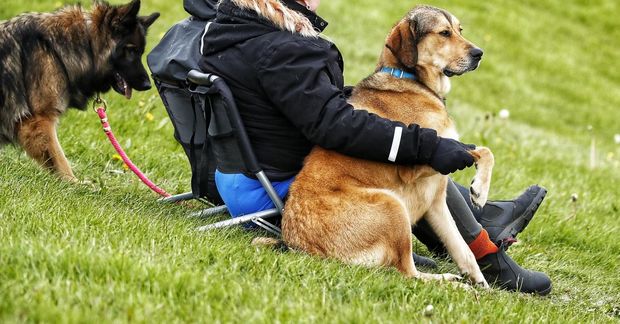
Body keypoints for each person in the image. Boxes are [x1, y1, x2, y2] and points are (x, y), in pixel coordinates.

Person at [198, 0, 551, 295]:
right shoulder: (284, 48)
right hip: (274, 185)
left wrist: (359, 99)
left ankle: (483, 222)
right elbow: (333, 125)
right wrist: (421, 144)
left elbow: (295, 102)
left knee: (411, 149)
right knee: (414, 153)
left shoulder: (233, 31)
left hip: (236, 176)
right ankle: (486, 250)